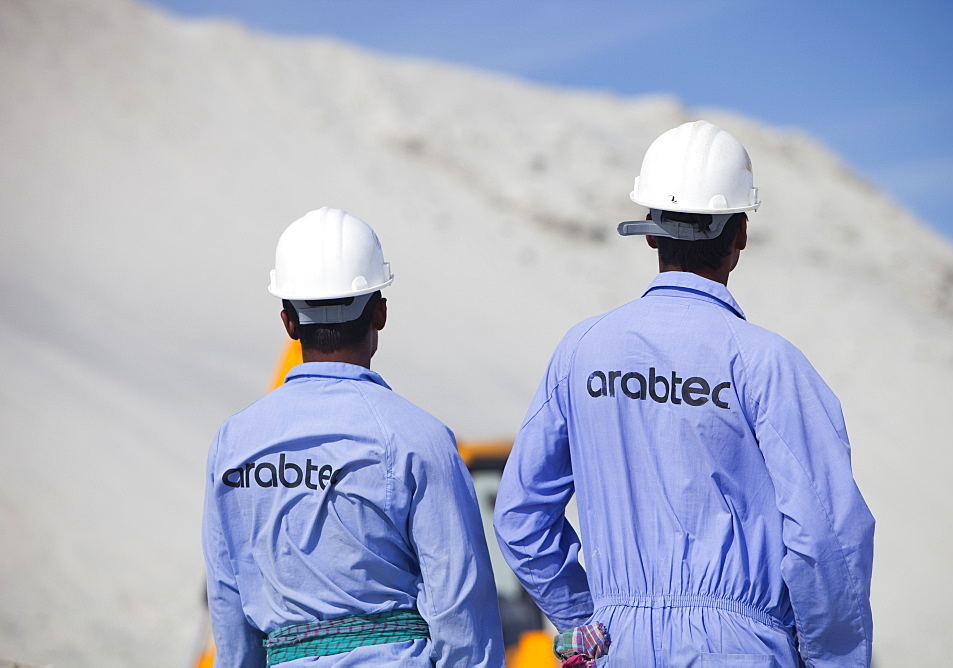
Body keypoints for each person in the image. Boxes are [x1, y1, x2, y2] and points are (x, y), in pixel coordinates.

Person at [493, 121, 875, 667]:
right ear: (740, 232)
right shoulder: (768, 364)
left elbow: (520, 518)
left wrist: (589, 621)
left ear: (649, 230)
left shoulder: (582, 352)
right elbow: (827, 539)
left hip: (619, 647)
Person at [202, 207, 505, 667]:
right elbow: (460, 607)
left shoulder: (234, 443)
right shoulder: (420, 439)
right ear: (379, 313)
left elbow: (228, 602)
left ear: (287, 322)